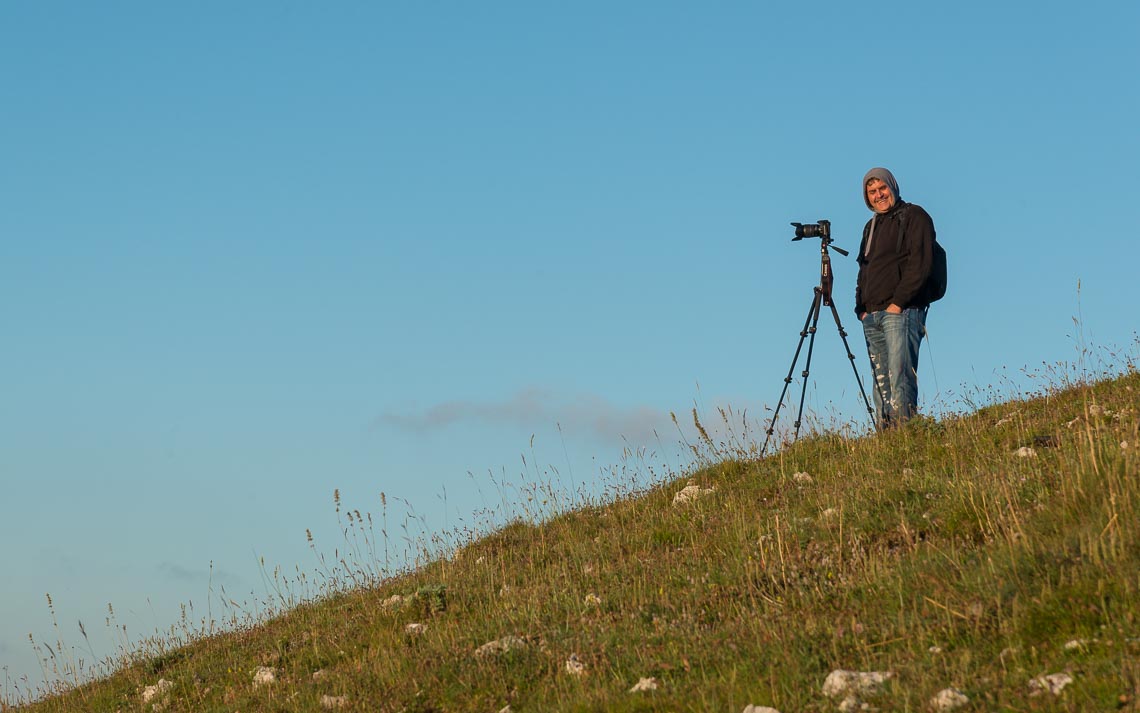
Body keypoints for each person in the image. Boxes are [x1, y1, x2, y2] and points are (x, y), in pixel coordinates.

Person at [854, 167, 935, 429]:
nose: (878, 196)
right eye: (872, 192)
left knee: (900, 378)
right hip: (872, 316)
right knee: (881, 383)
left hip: (902, 311)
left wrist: (897, 304)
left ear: (893, 187)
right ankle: (887, 438)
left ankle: (906, 434)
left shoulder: (914, 216)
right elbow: (864, 268)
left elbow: (920, 264)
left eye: (882, 189)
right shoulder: (871, 226)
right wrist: (861, 308)